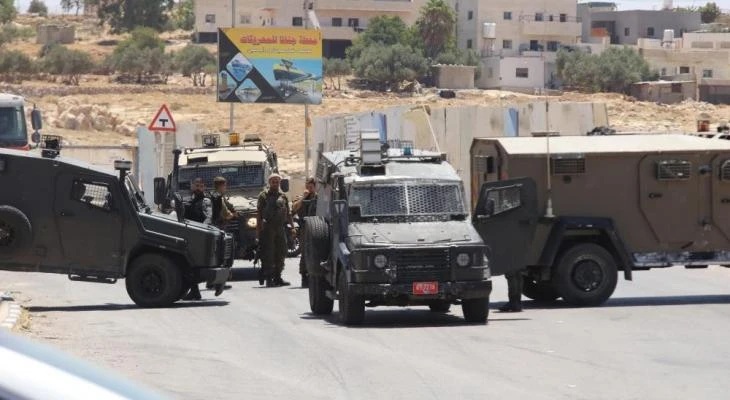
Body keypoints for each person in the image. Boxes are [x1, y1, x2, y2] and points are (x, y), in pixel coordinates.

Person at [257, 174, 296, 287]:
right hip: (268, 228)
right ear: (269, 182)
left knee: (282, 251)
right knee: (268, 253)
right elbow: (259, 214)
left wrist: (293, 227)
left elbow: (288, 213)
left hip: (280, 228)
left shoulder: (283, 196)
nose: (275, 183)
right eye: (273, 181)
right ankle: (269, 278)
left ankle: (278, 277)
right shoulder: (263, 196)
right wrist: (258, 231)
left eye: (277, 181)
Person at [182, 178, 213, 301]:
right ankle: (193, 291)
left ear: (204, 187)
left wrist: (202, 229)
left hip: (200, 236)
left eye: (200, 186)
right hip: (190, 235)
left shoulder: (205, 201)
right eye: (196, 185)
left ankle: (195, 291)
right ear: (192, 187)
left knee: (194, 265)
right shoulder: (190, 201)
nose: (198, 188)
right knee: (188, 264)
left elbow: (208, 217)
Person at [291, 177, 317, 288]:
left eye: (311, 187)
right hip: (305, 229)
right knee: (305, 253)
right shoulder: (302, 198)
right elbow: (294, 208)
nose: (309, 189)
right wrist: (304, 198)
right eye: (308, 186)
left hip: (317, 228)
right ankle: (304, 276)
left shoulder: (319, 198)